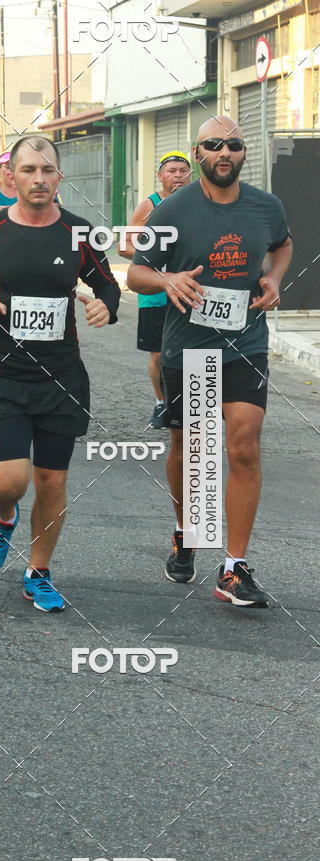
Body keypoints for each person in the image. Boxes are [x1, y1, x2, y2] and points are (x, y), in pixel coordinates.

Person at [0, 135, 120, 612]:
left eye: (47, 170)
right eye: (28, 170)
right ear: (12, 177)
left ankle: (38, 571)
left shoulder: (80, 233)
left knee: (51, 481)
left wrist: (105, 307)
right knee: (10, 482)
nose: (38, 179)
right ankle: (4, 518)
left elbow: (107, 285)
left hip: (62, 378)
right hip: (3, 374)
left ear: (59, 176)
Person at [127, 116, 292, 608]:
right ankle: (186, 530)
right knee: (193, 450)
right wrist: (169, 281)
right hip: (191, 346)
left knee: (243, 444)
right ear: (198, 153)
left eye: (235, 144)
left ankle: (234, 567)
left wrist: (274, 279)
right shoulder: (172, 210)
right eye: (214, 145)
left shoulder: (266, 207)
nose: (225, 152)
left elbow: (282, 246)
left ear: (244, 154)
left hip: (246, 340)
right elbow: (136, 273)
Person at [118, 151, 191, 428]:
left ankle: (189, 405)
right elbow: (125, 246)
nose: (178, 176)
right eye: (171, 171)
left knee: (193, 349)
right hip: (155, 290)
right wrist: (158, 262)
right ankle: (161, 403)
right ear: (160, 176)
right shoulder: (149, 206)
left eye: (183, 171)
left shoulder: (198, 203)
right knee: (159, 353)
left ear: (191, 175)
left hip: (190, 290)